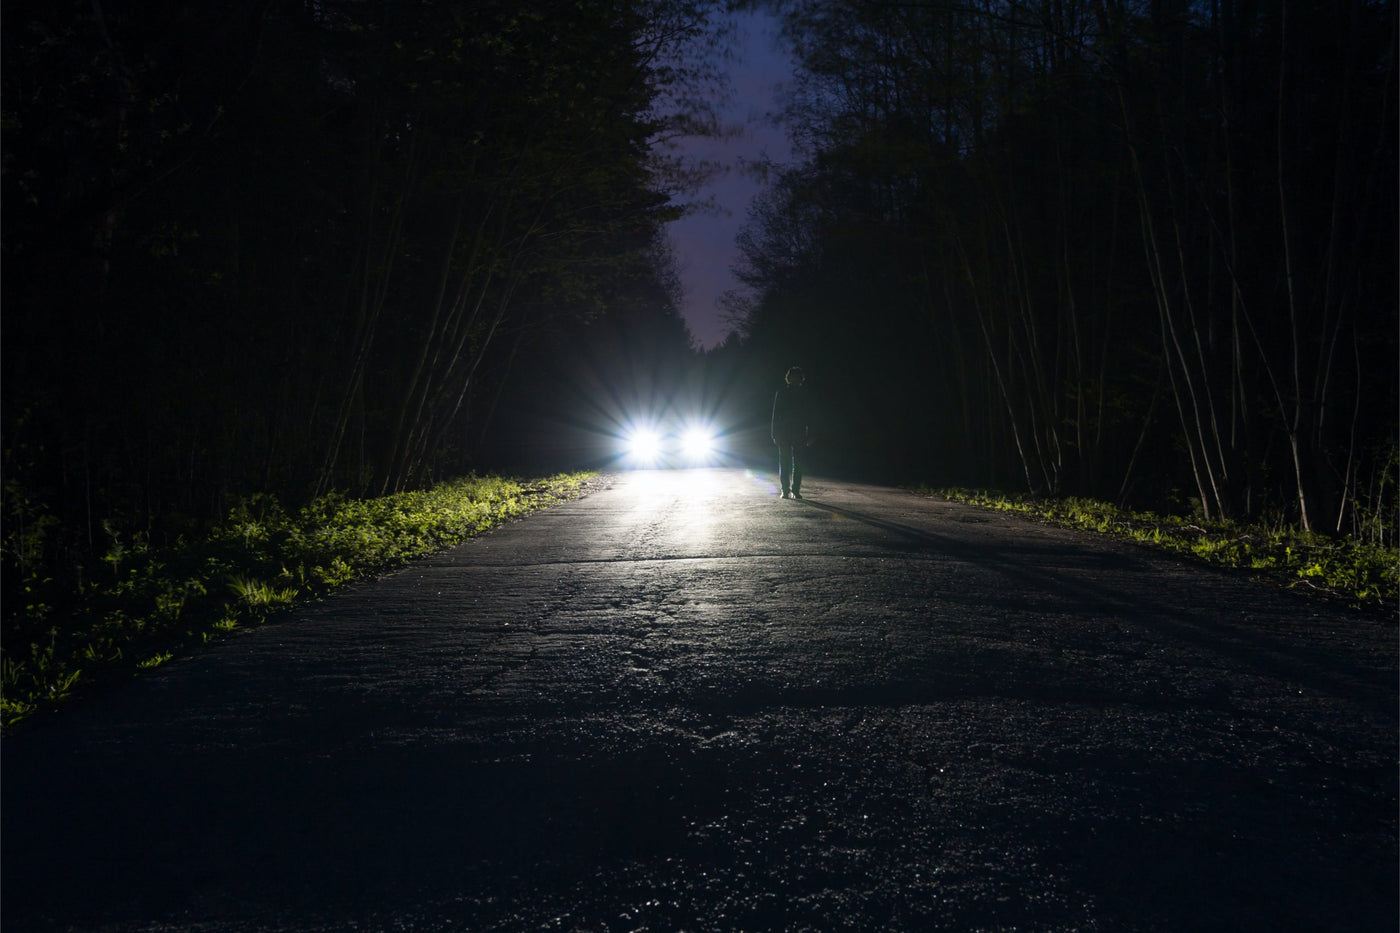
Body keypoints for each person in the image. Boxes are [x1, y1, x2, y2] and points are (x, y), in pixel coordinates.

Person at [771, 366, 813, 499]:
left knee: (797, 462)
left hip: (799, 432)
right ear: (789, 378)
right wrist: (774, 434)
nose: (795, 379)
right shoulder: (782, 393)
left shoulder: (805, 394)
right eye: (793, 376)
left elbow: (810, 415)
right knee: (785, 462)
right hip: (784, 433)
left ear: (800, 378)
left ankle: (795, 490)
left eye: (797, 376)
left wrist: (811, 434)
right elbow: (775, 415)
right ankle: (785, 490)